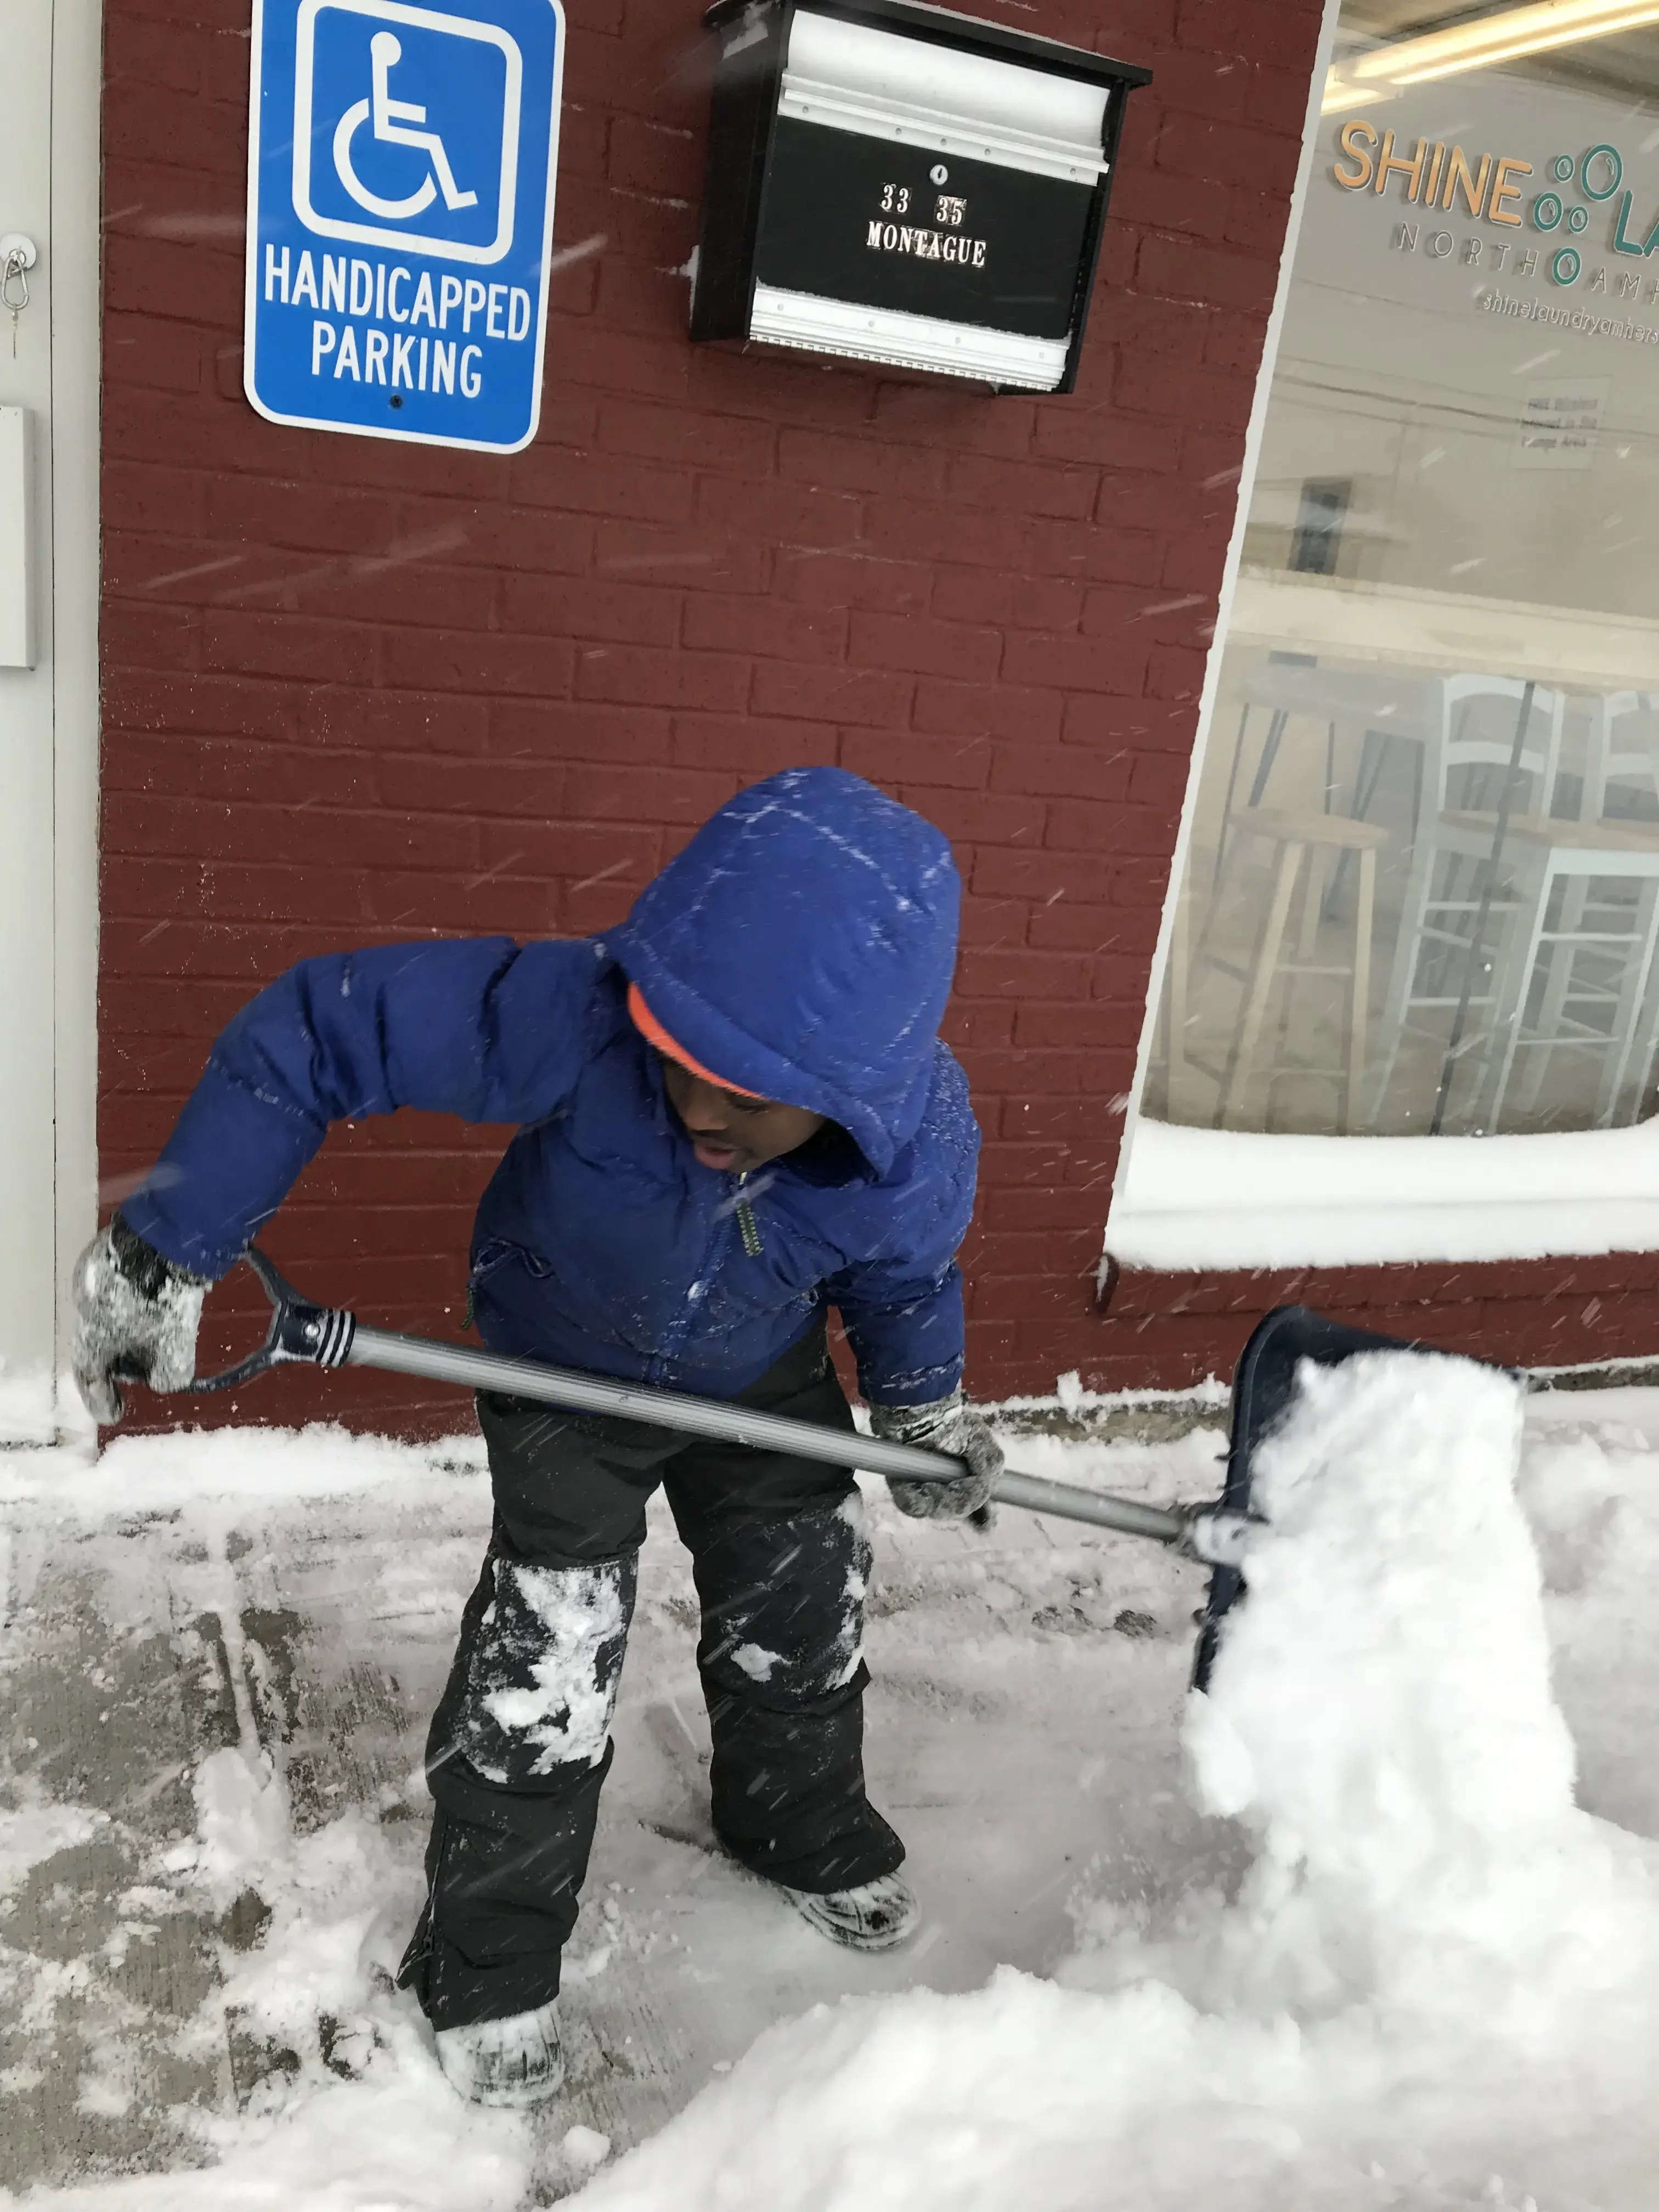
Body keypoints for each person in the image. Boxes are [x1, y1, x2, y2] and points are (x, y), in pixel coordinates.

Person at [70, 765, 1002, 2109]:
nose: (696, 1105)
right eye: (677, 1055)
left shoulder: (917, 1143)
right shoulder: (577, 1016)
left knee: (806, 1589)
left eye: (746, 1093)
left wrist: (920, 1407)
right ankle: (493, 1962)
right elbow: (320, 1035)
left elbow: (905, 1282)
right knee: (551, 1649)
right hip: (567, 1353)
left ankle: (798, 1823)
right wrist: (166, 1246)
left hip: (759, 1363)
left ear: (856, 1094)